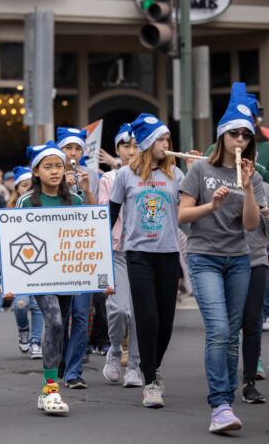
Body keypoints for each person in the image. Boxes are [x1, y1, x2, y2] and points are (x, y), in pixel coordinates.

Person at [178, 90, 263, 433]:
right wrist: (211, 206)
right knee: (219, 331)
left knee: (232, 336)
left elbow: (252, 226)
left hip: (239, 259)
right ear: (221, 135)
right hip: (204, 257)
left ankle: (225, 400)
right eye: (234, 133)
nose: (240, 139)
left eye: (246, 134)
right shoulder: (200, 169)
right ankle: (220, 404)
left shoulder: (250, 174)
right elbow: (183, 215)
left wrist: (249, 188)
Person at [109, 114, 184, 408]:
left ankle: (154, 365)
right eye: (160, 139)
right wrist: (100, 253)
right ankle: (150, 381)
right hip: (137, 254)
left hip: (168, 253)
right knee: (148, 318)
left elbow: (189, 207)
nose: (165, 144)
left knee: (166, 321)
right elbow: (111, 214)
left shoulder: (176, 175)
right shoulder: (125, 175)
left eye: (167, 140)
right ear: (148, 142)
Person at [15, 141, 86, 415]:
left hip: (67, 274)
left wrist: (103, 279)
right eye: (48, 167)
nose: (55, 171)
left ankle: (50, 384)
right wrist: (13, 281)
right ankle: (50, 389)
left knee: (59, 325)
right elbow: (15, 242)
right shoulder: (25, 201)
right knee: (54, 321)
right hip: (39, 275)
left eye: (59, 166)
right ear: (36, 171)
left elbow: (87, 240)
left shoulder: (76, 200)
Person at [99, 123, 143, 388]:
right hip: (117, 251)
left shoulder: (153, 176)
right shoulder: (110, 179)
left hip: (143, 250)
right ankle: (115, 350)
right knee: (120, 309)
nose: (132, 151)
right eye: (126, 146)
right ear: (117, 150)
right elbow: (106, 212)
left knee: (139, 313)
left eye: (137, 145)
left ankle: (135, 365)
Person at [54, 128, 98, 390]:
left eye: (77, 149)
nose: (72, 153)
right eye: (68, 148)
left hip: (82, 255)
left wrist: (86, 191)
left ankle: (74, 371)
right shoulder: (51, 172)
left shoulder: (90, 175)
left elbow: (99, 215)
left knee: (82, 314)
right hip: (58, 257)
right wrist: (64, 189)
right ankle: (59, 359)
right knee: (59, 315)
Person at [242, 181, 269, 404]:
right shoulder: (221, 178)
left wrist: (264, 208)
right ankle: (225, 379)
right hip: (228, 259)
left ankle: (250, 377)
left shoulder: (265, 187)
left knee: (253, 320)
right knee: (229, 322)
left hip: (257, 259)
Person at [3, 166, 43, 358]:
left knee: (37, 304)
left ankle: (36, 340)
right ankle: (23, 329)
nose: (27, 189)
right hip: (18, 263)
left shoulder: (41, 204)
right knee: (20, 303)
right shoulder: (9, 209)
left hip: (40, 260)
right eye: (24, 186)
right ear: (17, 188)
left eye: (31, 186)